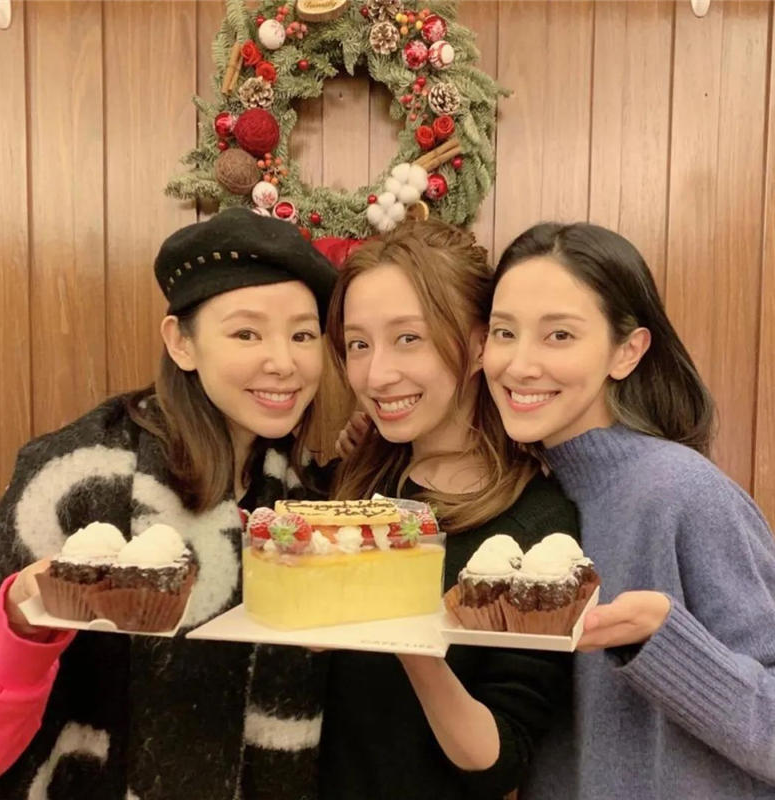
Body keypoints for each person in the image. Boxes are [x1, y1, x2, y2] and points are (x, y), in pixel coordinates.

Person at [0, 207, 338, 800]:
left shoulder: (302, 495)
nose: (284, 362)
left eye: (302, 335)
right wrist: (18, 622)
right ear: (181, 343)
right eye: (246, 334)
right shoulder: (75, 476)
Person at [482, 221, 775, 798]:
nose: (519, 364)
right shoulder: (520, 499)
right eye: (503, 332)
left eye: (559, 335)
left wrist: (665, 644)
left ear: (627, 351)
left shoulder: (683, 492)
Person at [319, 218, 580, 800]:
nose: (376, 375)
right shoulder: (352, 484)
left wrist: (412, 646)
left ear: (480, 345)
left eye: (408, 338)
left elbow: (501, 760)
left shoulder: (532, 529)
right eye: (359, 344)